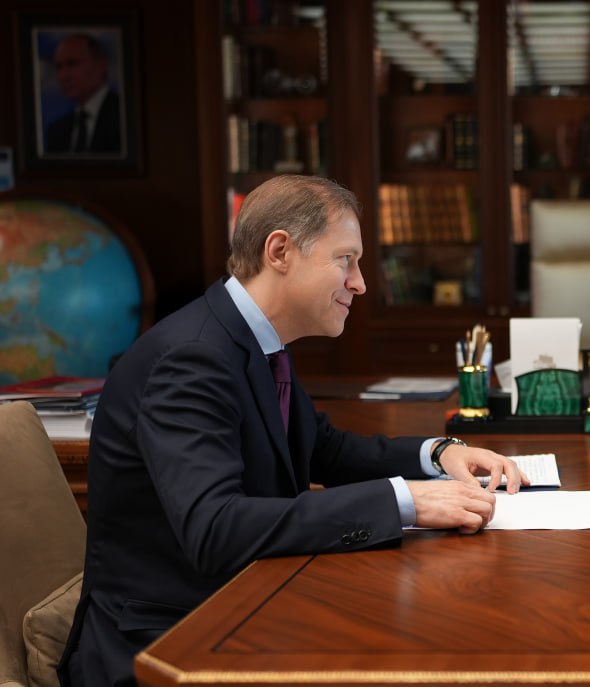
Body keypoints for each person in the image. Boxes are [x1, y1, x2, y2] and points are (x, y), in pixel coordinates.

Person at [58, 175, 526, 687]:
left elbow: (324, 448)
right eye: (345, 260)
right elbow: (215, 528)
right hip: (167, 646)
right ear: (279, 251)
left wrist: (437, 454)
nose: (360, 283)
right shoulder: (192, 358)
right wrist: (404, 502)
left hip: (245, 608)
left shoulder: (255, 341)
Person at [43, 33, 123, 155]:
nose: (63, 76)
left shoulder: (124, 116)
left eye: (72, 63)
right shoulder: (56, 131)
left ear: (101, 65)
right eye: (59, 67)